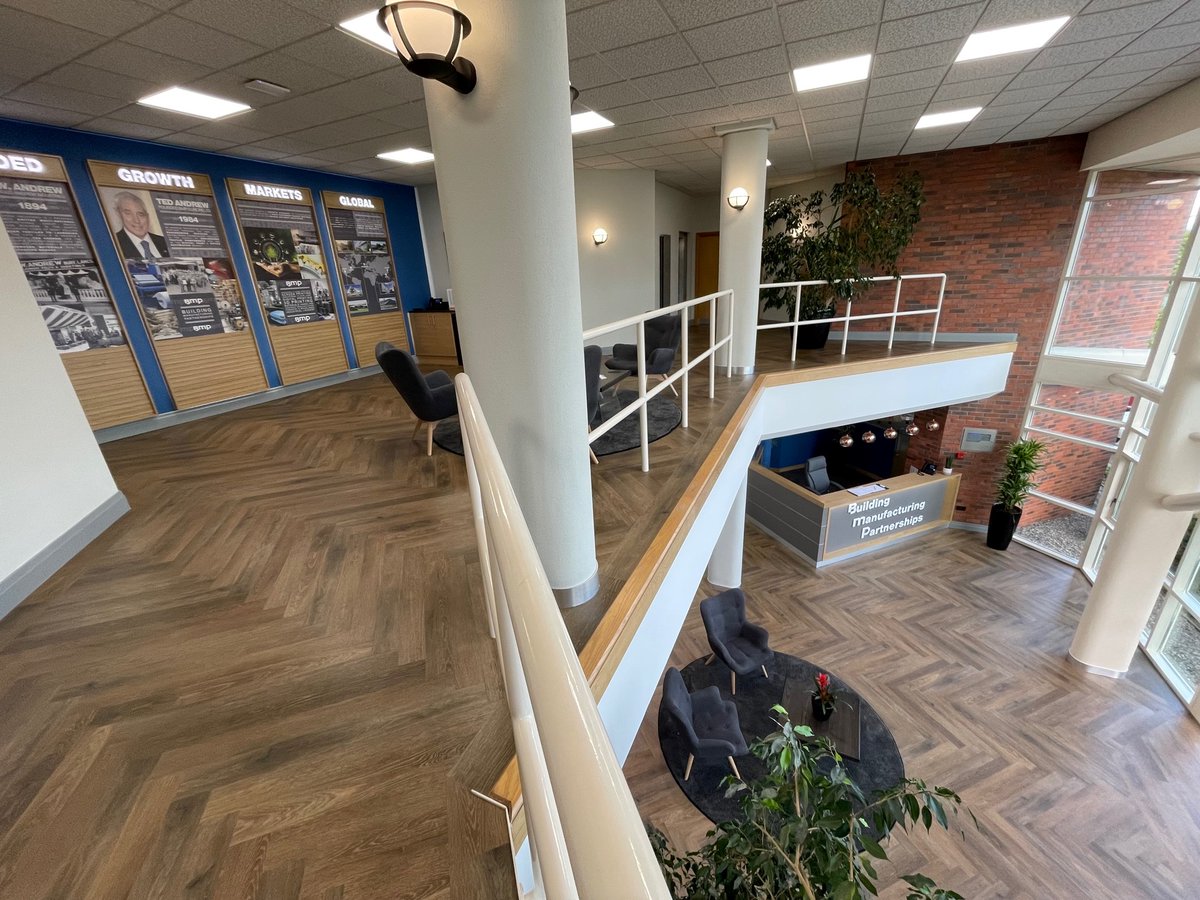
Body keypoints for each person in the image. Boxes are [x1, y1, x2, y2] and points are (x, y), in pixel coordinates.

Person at [112, 191, 169, 260]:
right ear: (118, 214)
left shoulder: (165, 242)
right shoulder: (112, 244)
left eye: (141, 214)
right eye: (128, 213)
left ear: (147, 217)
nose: (137, 220)